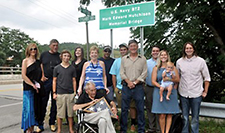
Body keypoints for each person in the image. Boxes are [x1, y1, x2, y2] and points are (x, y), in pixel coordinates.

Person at [176, 42, 211, 133]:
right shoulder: (179, 62)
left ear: (193, 49)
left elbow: (207, 78)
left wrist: (205, 91)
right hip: (183, 93)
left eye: (190, 48)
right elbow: (177, 77)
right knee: (185, 117)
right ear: (184, 50)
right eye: (187, 48)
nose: (188, 50)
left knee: (195, 118)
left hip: (196, 93)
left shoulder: (201, 61)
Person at [120, 39, 147, 133]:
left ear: (137, 47)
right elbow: (122, 73)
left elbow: (144, 73)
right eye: (131, 46)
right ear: (129, 48)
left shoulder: (143, 59)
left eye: (135, 46)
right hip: (126, 86)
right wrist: (129, 82)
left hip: (138, 87)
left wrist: (135, 82)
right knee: (124, 109)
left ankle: (141, 129)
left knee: (140, 109)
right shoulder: (124, 59)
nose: (133, 48)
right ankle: (123, 129)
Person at [109, 43, 137, 131]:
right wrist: (115, 88)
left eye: (124, 49)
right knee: (122, 108)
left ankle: (133, 124)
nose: (123, 51)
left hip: (131, 87)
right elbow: (113, 75)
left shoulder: (132, 60)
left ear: (127, 50)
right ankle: (122, 124)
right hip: (120, 88)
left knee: (132, 107)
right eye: (121, 50)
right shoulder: (116, 61)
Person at [151, 50, 180, 133]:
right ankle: (162, 131)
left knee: (169, 114)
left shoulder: (173, 67)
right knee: (162, 114)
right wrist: (162, 87)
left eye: (165, 55)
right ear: (159, 57)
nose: (163, 56)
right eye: (161, 55)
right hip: (160, 91)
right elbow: (153, 81)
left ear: (168, 56)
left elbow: (177, 79)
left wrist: (169, 80)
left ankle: (167, 132)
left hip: (171, 92)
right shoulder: (156, 68)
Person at [38, 39, 61, 132]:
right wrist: (42, 76)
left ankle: (52, 122)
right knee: (43, 102)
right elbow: (40, 65)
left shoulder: (59, 56)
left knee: (55, 104)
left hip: (56, 81)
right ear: (50, 46)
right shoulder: (44, 55)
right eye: (53, 45)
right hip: (46, 81)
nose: (55, 47)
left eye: (56, 45)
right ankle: (40, 124)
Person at [21, 43, 43, 133]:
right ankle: (28, 130)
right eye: (31, 49)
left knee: (35, 110)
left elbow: (42, 75)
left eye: (35, 49)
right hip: (28, 88)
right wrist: (32, 84)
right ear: (28, 50)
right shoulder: (25, 61)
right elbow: (23, 75)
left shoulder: (39, 62)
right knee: (28, 109)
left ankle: (32, 129)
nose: (33, 50)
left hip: (37, 89)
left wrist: (39, 83)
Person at [52, 50, 76, 133]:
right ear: (61, 57)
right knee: (60, 114)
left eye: (68, 56)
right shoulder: (57, 68)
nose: (66, 57)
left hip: (70, 93)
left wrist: (74, 92)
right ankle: (59, 129)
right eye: (65, 55)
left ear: (70, 57)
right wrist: (54, 92)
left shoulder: (72, 68)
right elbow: (54, 80)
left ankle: (71, 129)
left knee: (70, 114)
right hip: (60, 93)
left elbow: (74, 80)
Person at [145, 45, 160, 133]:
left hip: (159, 89)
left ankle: (159, 128)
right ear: (151, 52)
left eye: (157, 51)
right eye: (153, 51)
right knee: (149, 108)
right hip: (149, 87)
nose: (155, 52)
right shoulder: (147, 62)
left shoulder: (162, 62)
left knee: (158, 109)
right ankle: (151, 128)